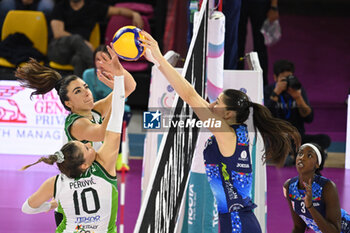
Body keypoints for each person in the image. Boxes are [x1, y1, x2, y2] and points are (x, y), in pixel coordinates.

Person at [140, 31, 301, 233]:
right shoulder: (234, 132)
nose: (211, 104)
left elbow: (190, 95)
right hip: (236, 221)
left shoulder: (225, 134)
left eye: (217, 102)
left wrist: (159, 59)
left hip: (238, 225)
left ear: (228, 114)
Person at [15, 45, 136, 224]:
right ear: (68, 103)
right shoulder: (76, 123)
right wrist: (117, 91)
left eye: (85, 87)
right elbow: (104, 133)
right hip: (75, 194)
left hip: (92, 188)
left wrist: (118, 71)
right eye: (78, 91)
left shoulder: (93, 111)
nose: (87, 93)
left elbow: (130, 87)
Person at [48, 0, 144, 77]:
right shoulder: (60, 7)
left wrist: (134, 14)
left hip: (79, 53)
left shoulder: (93, 6)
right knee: (76, 39)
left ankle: (82, 91)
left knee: (79, 60)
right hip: (58, 50)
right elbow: (58, 33)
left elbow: (118, 10)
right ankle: (99, 71)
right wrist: (82, 42)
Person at [264, 59, 331, 165]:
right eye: (283, 78)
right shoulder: (268, 91)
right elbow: (265, 117)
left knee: (325, 139)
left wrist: (298, 97)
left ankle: (296, 154)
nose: (287, 81)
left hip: (297, 137)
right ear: (275, 78)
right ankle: (308, 154)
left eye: (289, 77)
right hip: (278, 137)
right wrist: (276, 93)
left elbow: (309, 118)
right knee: (271, 145)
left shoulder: (297, 90)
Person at [283, 143, 350, 232]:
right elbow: (299, 227)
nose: (302, 157)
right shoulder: (289, 187)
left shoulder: (327, 187)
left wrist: (310, 206)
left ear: (317, 164)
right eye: (300, 153)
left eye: (309, 155)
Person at [237, 0, 279, 86]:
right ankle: (236, 79)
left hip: (260, 3)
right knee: (237, 44)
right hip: (240, 3)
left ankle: (262, 84)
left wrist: (274, 6)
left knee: (260, 45)